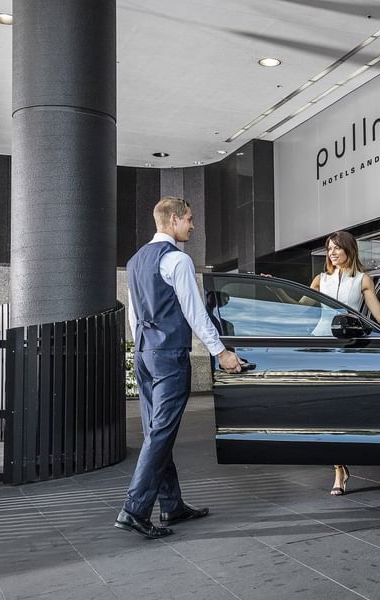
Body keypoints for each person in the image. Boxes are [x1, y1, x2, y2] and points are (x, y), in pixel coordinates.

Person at [116, 196, 243, 539]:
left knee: (157, 431)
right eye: (189, 219)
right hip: (169, 355)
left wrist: (142, 345)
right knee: (161, 432)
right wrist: (221, 352)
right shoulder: (178, 260)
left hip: (145, 353)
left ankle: (171, 504)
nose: (192, 225)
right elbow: (194, 312)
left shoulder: (136, 260)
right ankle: (134, 509)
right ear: (173, 219)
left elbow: (133, 312)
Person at [310, 231, 380, 495]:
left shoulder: (362, 280)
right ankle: (338, 470)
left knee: (344, 409)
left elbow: (379, 315)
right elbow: (300, 306)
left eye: (336, 248)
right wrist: (271, 288)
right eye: (329, 249)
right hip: (320, 347)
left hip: (348, 348)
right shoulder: (320, 280)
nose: (332, 253)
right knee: (327, 412)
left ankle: (348, 458)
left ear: (349, 250)